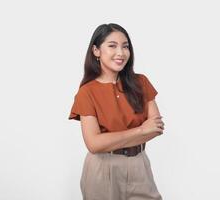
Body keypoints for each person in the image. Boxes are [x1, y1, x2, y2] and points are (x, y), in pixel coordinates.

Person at [68, 23, 165, 200]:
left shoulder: (141, 82)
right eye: (112, 46)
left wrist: (109, 139)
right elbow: (94, 144)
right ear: (96, 51)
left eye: (125, 46)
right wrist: (141, 130)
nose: (121, 53)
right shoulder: (87, 92)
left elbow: (156, 127)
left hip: (139, 164)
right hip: (103, 169)